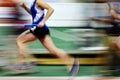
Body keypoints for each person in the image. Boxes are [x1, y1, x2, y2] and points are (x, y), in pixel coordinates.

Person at [14, 0, 79, 76]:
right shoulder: (34, 2)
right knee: (53, 51)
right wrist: (24, 7)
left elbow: (51, 9)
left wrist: (43, 21)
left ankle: (23, 62)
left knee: (19, 41)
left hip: (39, 29)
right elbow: (33, 14)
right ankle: (73, 62)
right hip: (37, 29)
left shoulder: (39, 1)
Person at [91, 2, 120, 77]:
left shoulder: (114, 6)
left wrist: (116, 15)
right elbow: (112, 20)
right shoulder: (111, 5)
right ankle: (109, 68)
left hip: (116, 31)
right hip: (114, 30)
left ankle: (109, 68)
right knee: (113, 48)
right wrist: (99, 20)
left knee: (115, 46)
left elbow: (114, 18)